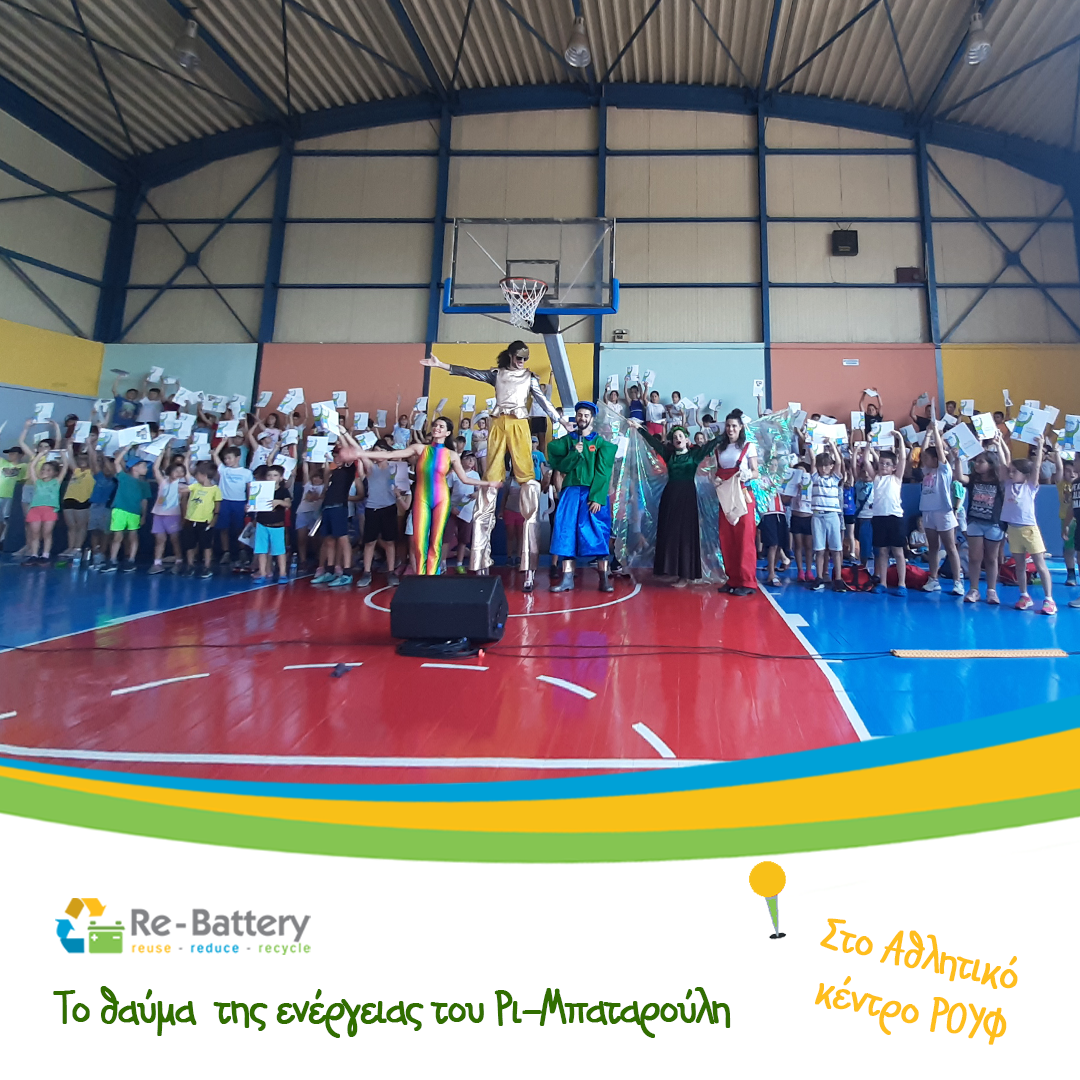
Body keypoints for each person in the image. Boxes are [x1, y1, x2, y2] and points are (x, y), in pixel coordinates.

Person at [420, 345, 563, 590]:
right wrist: (442, 365)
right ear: (511, 356)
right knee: (490, 482)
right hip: (497, 424)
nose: (522, 361)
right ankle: (480, 562)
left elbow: (543, 400)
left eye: (525, 358)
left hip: (519, 425)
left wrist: (560, 420)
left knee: (528, 481)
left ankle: (528, 569)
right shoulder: (497, 374)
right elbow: (469, 372)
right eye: (519, 357)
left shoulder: (529, 377)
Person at [353, 417, 497, 578]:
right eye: (435, 425)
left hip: (442, 499)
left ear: (447, 432)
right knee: (419, 540)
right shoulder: (420, 448)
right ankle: (421, 577)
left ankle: (432, 577)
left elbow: (465, 479)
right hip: (422, 498)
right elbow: (392, 453)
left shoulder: (452, 455)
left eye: (441, 426)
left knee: (436, 541)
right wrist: (361, 453)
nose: (437, 428)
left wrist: (488, 483)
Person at [635, 421, 719, 586]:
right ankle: (670, 571)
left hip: (687, 497)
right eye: (674, 437)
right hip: (670, 496)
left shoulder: (694, 455)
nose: (677, 438)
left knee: (685, 535)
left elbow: (711, 445)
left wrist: (725, 435)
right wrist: (638, 428)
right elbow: (653, 443)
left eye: (680, 436)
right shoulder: (669, 455)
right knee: (669, 533)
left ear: (687, 439)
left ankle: (685, 575)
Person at [546, 402, 617, 593]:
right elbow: (560, 466)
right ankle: (567, 579)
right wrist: (573, 454)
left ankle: (604, 579)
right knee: (566, 532)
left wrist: (597, 497)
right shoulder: (567, 441)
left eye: (586, 415)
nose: (582, 418)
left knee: (598, 531)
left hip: (592, 493)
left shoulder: (600, 443)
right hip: (570, 492)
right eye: (579, 415)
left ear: (591, 418)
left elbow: (604, 471)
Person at [999, 437, 1057, 614]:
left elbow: (1036, 467)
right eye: (1010, 471)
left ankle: (1049, 599)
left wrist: (1040, 447)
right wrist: (999, 444)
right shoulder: (1008, 484)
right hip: (1013, 529)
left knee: (1040, 564)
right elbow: (1003, 464)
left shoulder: (1030, 486)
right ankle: (1024, 596)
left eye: (1015, 472)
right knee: (1019, 566)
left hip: (1029, 530)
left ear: (1025, 474)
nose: (1010, 474)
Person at [917, 417, 965, 595]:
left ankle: (957, 582)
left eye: (927, 458)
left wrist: (936, 431)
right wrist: (928, 433)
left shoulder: (944, 470)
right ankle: (933, 579)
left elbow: (938, 448)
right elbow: (923, 451)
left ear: (936, 459)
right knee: (933, 548)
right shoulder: (927, 470)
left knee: (950, 547)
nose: (924, 459)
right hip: (928, 511)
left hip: (943, 512)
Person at [713, 411, 759, 595]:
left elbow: (755, 472)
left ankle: (748, 582)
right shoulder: (720, 449)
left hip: (743, 496)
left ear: (740, 427)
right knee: (727, 538)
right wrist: (715, 479)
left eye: (734, 426)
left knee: (744, 538)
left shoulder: (749, 446)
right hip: (725, 498)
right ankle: (732, 579)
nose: (730, 429)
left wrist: (748, 474)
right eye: (728, 425)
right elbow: (717, 471)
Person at [356, 438, 409, 588]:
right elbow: (359, 452)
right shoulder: (371, 467)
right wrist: (345, 434)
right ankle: (367, 572)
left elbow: (404, 487)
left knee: (390, 541)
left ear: (387, 452)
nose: (378, 453)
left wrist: (399, 493)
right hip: (372, 508)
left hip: (389, 508)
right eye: (375, 451)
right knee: (369, 542)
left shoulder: (396, 468)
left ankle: (391, 572)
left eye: (381, 451)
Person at [312, 434, 363, 587]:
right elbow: (326, 483)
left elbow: (352, 451)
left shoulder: (349, 470)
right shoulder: (333, 472)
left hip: (339, 506)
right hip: (327, 506)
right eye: (335, 455)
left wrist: (342, 434)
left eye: (339, 455)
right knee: (328, 539)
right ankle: (329, 571)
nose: (337, 457)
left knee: (342, 539)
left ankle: (347, 573)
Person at [963, 436, 1007, 604]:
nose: (977, 464)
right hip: (975, 522)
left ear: (991, 464)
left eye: (981, 461)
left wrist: (999, 445)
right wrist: (957, 458)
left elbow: (1004, 467)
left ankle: (991, 590)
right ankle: (974, 589)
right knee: (974, 557)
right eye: (976, 461)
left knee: (991, 558)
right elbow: (959, 476)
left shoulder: (999, 481)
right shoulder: (973, 479)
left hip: (994, 524)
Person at [865, 431, 908, 596]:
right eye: (881, 463)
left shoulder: (896, 478)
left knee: (898, 552)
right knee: (882, 552)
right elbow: (866, 461)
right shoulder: (876, 478)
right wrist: (868, 443)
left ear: (894, 467)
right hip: (879, 518)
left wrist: (900, 439)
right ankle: (882, 582)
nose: (884, 466)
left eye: (887, 464)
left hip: (895, 517)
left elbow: (902, 458)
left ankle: (902, 584)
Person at [102, 448, 152, 573]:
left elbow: (144, 501)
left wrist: (143, 515)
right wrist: (126, 449)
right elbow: (116, 462)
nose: (146, 468)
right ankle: (112, 560)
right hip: (120, 510)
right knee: (117, 536)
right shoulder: (123, 477)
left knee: (133, 536)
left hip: (134, 512)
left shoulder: (144, 484)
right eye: (143, 466)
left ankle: (131, 560)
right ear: (134, 468)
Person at [19, 438, 69, 565]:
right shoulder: (37, 482)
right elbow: (32, 467)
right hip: (35, 510)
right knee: (35, 533)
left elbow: (65, 468)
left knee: (47, 533)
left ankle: (45, 555)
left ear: (54, 473)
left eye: (48, 470)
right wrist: (40, 454)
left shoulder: (56, 482)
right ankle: (34, 554)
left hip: (49, 510)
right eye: (43, 469)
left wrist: (63, 456)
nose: (44, 472)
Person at [809, 437, 847, 592]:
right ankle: (819, 577)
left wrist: (832, 445)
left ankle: (838, 579)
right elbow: (812, 459)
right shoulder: (815, 478)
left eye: (827, 465)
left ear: (831, 466)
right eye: (821, 465)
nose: (824, 468)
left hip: (832, 516)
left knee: (836, 549)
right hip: (818, 516)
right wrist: (809, 444)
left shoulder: (835, 478)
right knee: (819, 549)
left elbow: (839, 462)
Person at [213, 440, 253, 567]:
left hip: (240, 502)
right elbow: (215, 454)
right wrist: (223, 441)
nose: (227, 461)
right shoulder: (224, 470)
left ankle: (242, 551)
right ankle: (226, 552)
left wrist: (249, 503)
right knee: (223, 528)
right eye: (225, 458)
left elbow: (249, 489)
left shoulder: (246, 472)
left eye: (229, 458)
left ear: (238, 458)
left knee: (240, 528)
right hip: (224, 501)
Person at [148, 448, 187, 574]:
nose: (179, 473)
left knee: (175, 539)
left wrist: (183, 518)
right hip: (158, 515)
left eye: (182, 471)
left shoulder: (182, 486)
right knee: (160, 539)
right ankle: (157, 563)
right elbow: (155, 468)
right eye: (177, 471)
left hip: (173, 515)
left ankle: (179, 561)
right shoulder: (163, 482)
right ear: (170, 471)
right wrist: (160, 454)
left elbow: (184, 503)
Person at [251, 464, 291, 583]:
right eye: (269, 475)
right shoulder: (260, 489)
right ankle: (262, 573)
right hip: (262, 523)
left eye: (275, 475)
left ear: (281, 478)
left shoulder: (283, 491)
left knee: (279, 550)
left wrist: (278, 502)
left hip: (277, 525)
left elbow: (288, 504)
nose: (271, 477)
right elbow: (253, 503)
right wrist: (249, 507)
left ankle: (283, 574)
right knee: (261, 550)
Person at [181, 462, 221, 578]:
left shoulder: (215, 490)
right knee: (190, 544)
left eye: (197, 475)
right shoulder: (195, 486)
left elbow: (217, 506)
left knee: (206, 545)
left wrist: (214, 519)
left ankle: (207, 567)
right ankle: (190, 565)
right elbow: (184, 489)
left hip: (205, 521)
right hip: (190, 520)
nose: (196, 477)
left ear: (204, 475)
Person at [58, 446, 94, 559]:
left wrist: (90, 445)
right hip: (69, 499)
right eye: (80, 458)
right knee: (71, 526)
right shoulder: (76, 470)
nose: (82, 460)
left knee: (81, 526)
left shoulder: (92, 471)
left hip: (83, 500)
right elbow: (70, 459)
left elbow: (93, 458)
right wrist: (69, 446)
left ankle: (77, 548)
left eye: (85, 458)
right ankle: (70, 547)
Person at [448, 450, 481, 572]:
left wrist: (476, 494)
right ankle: (442, 564)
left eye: (473, 458)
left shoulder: (475, 475)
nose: (471, 461)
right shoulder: (453, 474)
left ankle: (459, 564)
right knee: (446, 537)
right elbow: (446, 491)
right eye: (467, 458)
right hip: (452, 509)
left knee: (463, 539)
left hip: (467, 511)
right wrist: (450, 507)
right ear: (461, 460)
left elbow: (479, 490)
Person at [0, 445, 27, 547]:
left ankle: (3, 540)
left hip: (11, 496)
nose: (10, 455)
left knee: (6, 518)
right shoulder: (3, 462)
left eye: (13, 453)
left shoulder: (24, 466)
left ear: (21, 455)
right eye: (9, 453)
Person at [1062, 455, 1079, 588]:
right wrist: (1066, 525)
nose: (1074, 462)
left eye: (1077, 460)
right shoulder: (1075, 484)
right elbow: (1073, 506)